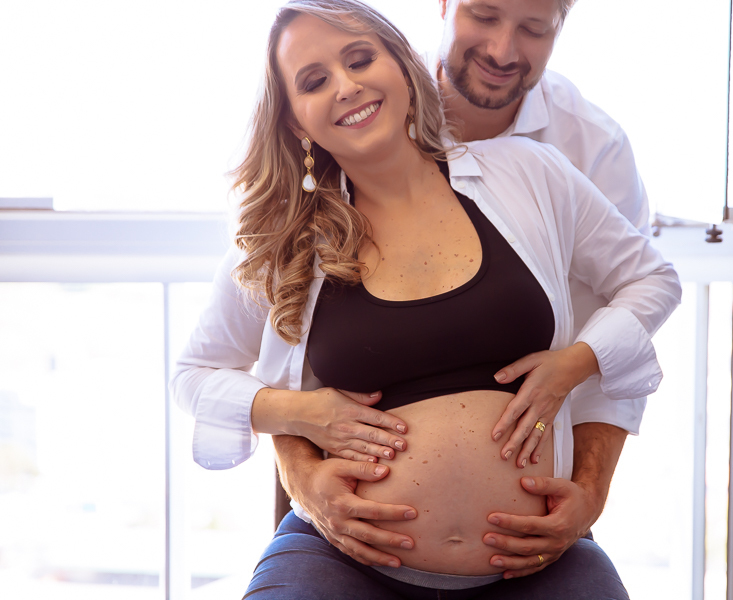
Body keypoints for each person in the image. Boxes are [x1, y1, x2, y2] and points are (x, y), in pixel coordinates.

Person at [169, 0, 681, 597]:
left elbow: (652, 280)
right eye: (314, 81)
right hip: (342, 560)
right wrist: (302, 414)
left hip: (536, 560)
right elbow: (194, 375)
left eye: (360, 59)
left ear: (403, 66)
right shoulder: (286, 238)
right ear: (296, 123)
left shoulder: (533, 172)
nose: (346, 85)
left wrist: (577, 362)